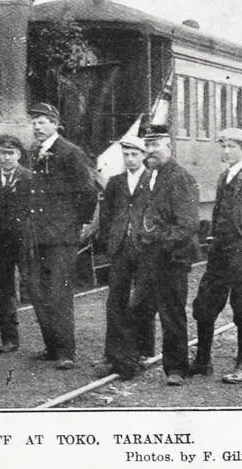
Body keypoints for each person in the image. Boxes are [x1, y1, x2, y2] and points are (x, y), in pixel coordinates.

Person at [190, 128, 242, 385]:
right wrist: (213, 239)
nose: (226, 151)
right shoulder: (224, 177)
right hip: (219, 253)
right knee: (204, 305)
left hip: (241, 254)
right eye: (223, 146)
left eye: (232, 147)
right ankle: (203, 362)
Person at [26, 103, 97, 370]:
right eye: (34, 122)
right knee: (38, 292)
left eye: (42, 122)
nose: (37, 126)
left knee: (59, 292)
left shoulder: (70, 153)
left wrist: (78, 223)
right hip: (37, 235)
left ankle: (66, 351)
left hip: (60, 236)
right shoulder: (34, 152)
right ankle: (51, 346)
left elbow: (87, 192)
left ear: (56, 124)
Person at [133, 124, 200, 386]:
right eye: (147, 146)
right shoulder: (151, 175)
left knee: (171, 313)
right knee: (139, 307)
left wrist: (158, 242)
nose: (150, 151)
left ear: (169, 146)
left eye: (155, 145)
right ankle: (140, 354)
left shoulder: (179, 177)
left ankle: (176, 368)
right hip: (150, 256)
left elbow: (187, 224)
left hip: (172, 258)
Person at [93, 135, 154, 379]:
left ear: (143, 156)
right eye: (126, 155)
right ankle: (113, 353)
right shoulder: (115, 183)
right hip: (120, 248)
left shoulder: (152, 180)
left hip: (144, 247)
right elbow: (107, 215)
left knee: (142, 300)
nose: (130, 159)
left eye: (134, 155)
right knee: (116, 300)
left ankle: (142, 350)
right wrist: (110, 240)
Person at [0, 134, 31, 353]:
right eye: (2, 153)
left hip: (24, 242)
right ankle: (10, 340)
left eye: (10, 153)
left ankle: (51, 342)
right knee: (4, 292)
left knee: (35, 288)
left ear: (18, 155)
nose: (5, 158)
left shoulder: (29, 179)